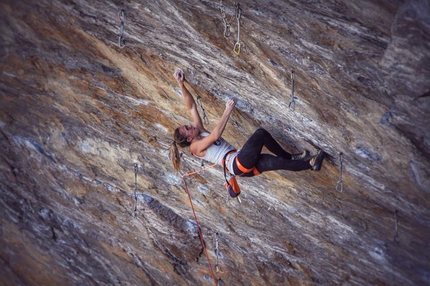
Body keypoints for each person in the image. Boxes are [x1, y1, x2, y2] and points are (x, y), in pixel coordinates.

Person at [169, 68, 326, 178]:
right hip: (237, 164)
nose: (190, 125)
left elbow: (191, 106)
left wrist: (181, 84)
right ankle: (292, 158)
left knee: (276, 162)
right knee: (260, 134)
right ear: (189, 139)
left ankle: (311, 164)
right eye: (187, 128)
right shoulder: (195, 147)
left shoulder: (199, 131)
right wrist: (227, 110)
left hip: (241, 166)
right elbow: (216, 135)